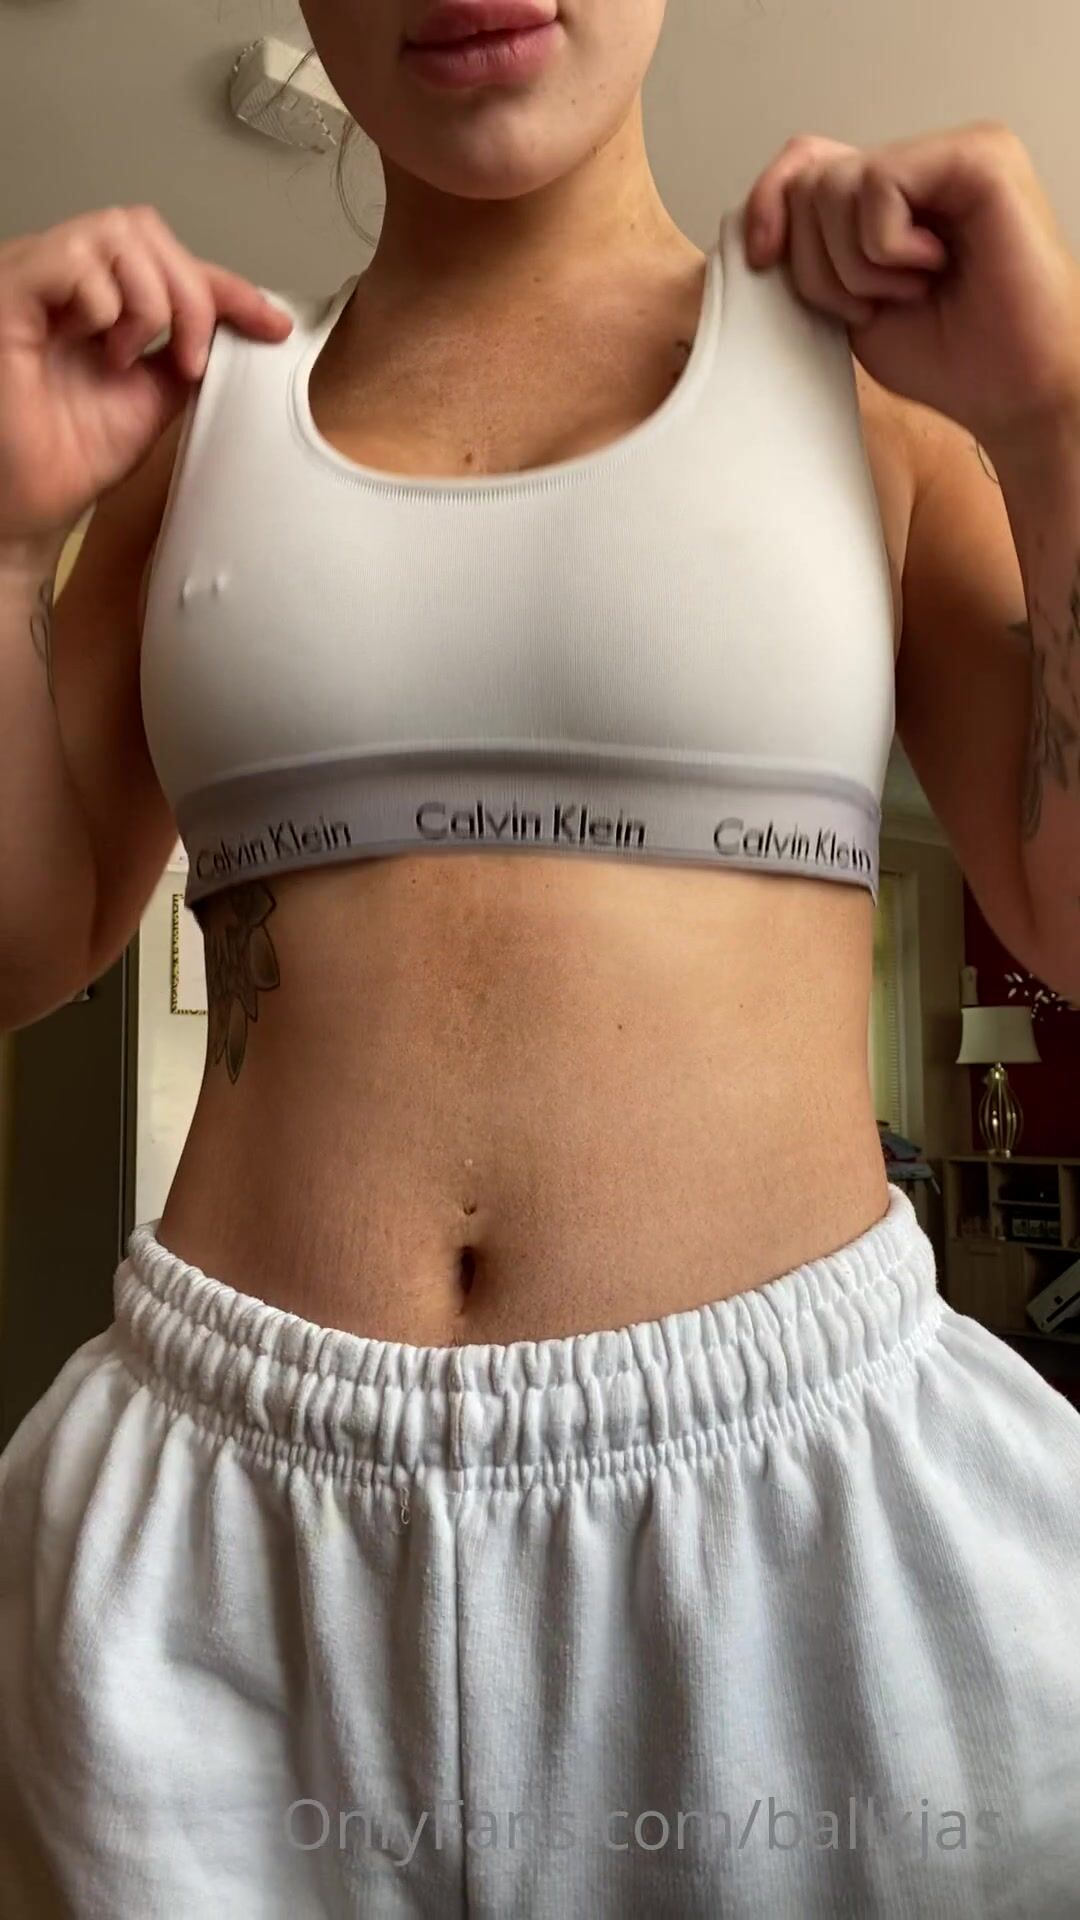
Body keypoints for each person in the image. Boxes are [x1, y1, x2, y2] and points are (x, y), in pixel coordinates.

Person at [1, 0, 1078, 1914]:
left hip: (793, 1523)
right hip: (226, 1559)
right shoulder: (193, 440)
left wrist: (1056, 427)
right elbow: (20, 951)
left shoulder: (873, 410)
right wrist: (3, 553)